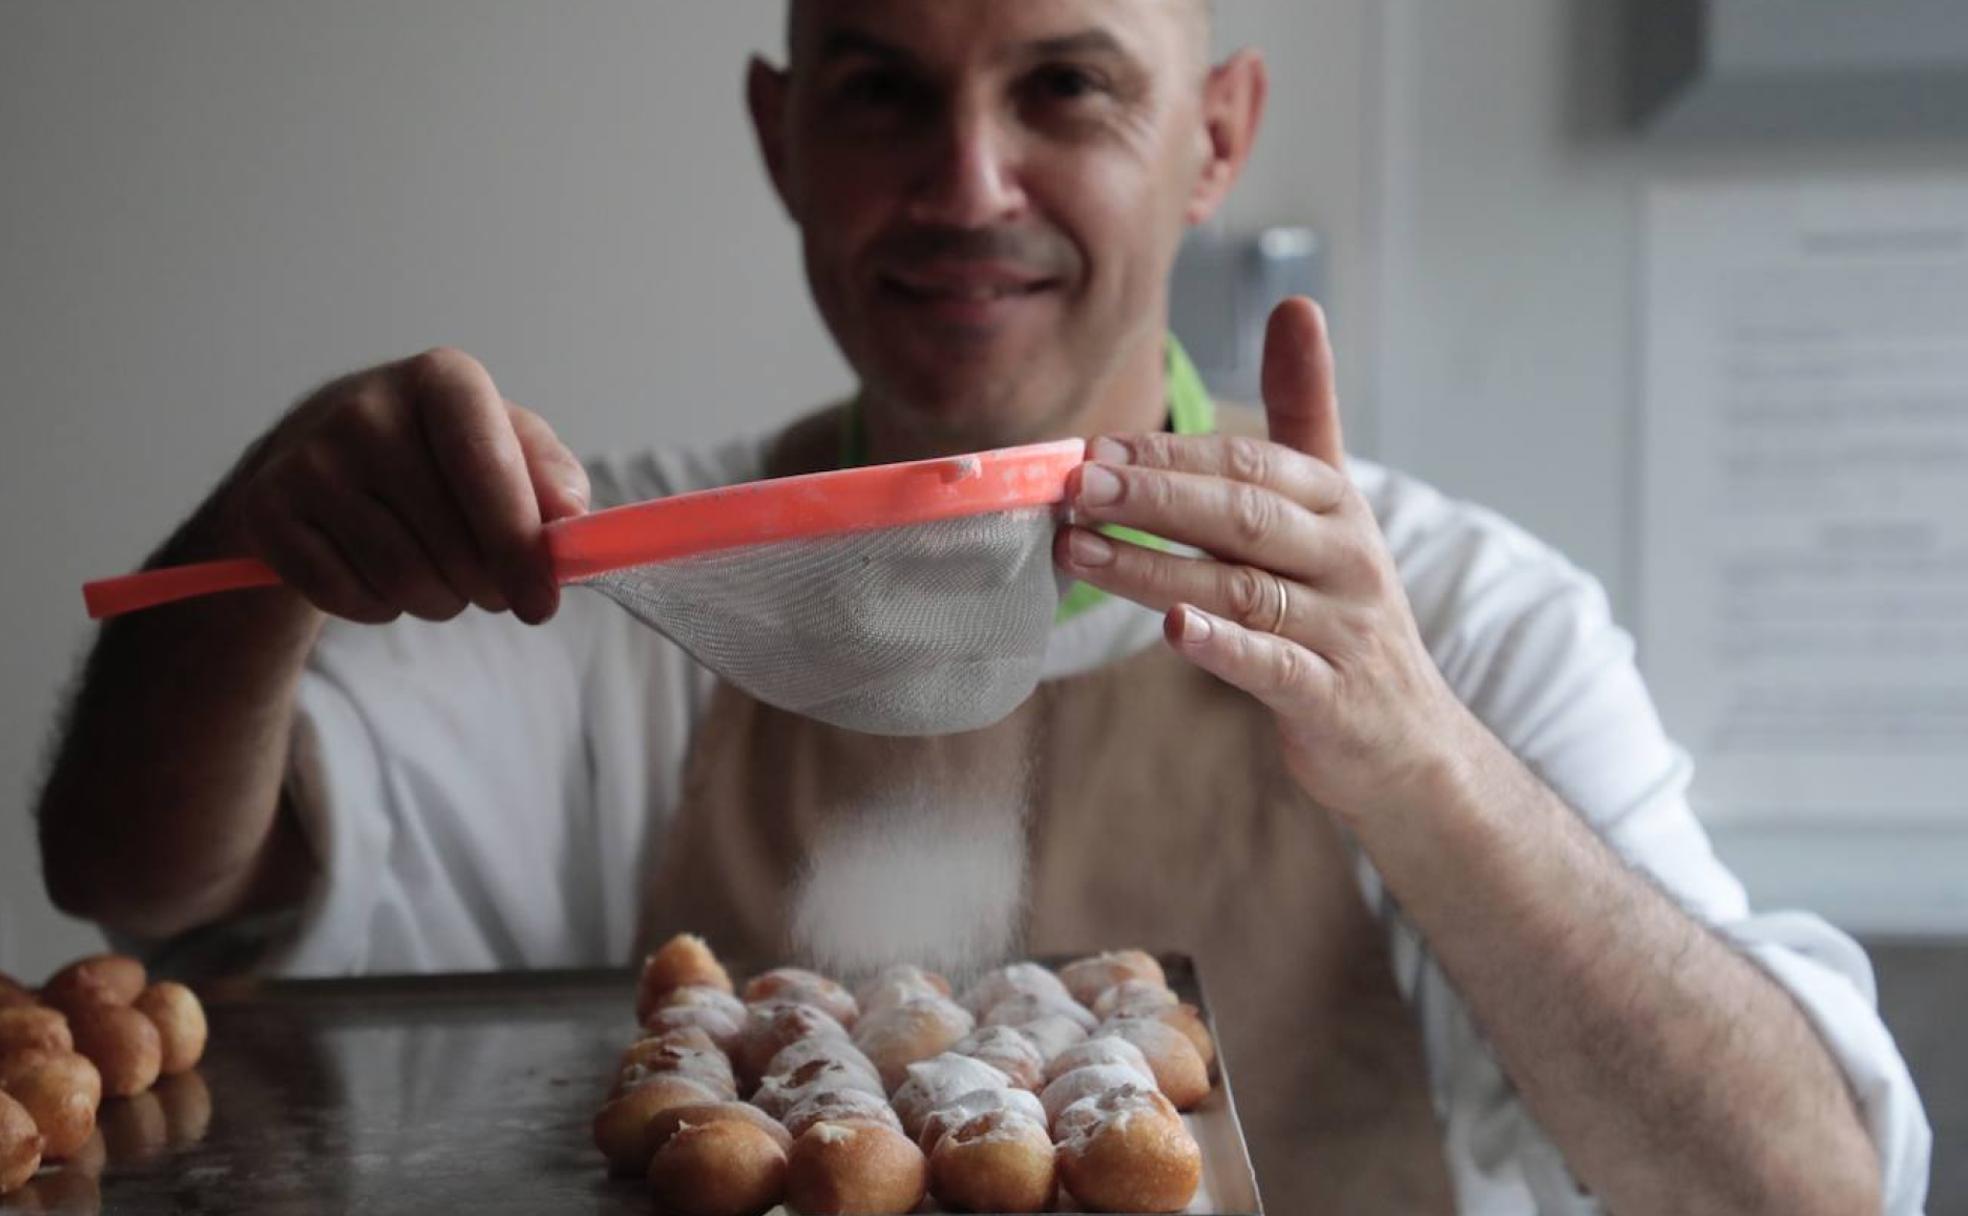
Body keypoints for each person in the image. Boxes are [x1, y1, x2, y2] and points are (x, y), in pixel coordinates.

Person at [35, 2, 1928, 1212]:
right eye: (882, 90)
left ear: (1215, 135)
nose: (966, 182)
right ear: (782, 134)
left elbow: (1807, 1190)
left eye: (1067, 85)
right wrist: (257, 563)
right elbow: (148, 883)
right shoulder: (633, 586)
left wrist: (1421, 763)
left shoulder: (1462, 623)